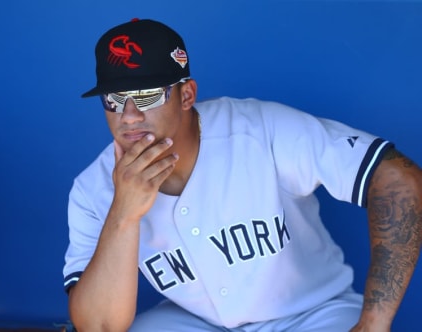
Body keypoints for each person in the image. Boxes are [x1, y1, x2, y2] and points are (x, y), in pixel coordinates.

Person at [63, 18, 422, 332]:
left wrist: (375, 323)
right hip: (196, 322)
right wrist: (123, 214)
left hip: (311, 315)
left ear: (186, 94)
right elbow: (98, 326)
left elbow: (399, 178)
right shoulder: (93, 189)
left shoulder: (262, 131)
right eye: (113, 98)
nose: (127, 115)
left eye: (146, 95)